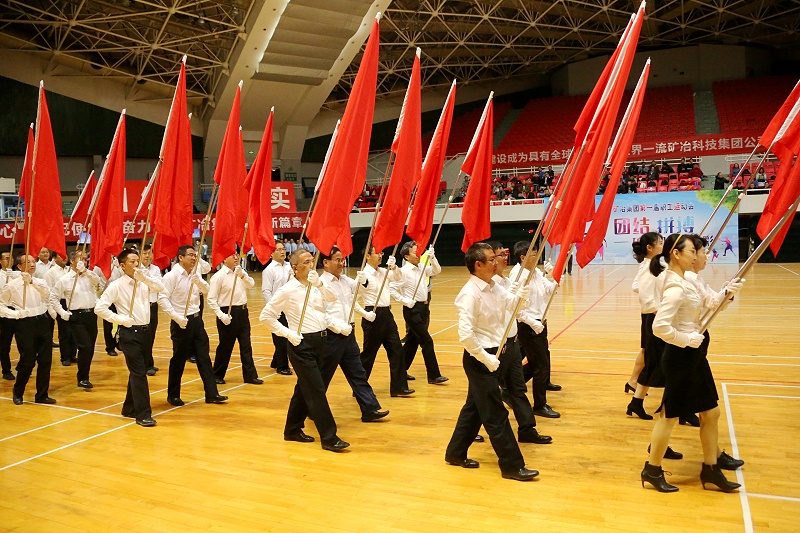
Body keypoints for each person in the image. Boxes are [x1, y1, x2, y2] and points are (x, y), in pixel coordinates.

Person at [641, 234, 744, 493]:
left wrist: (727, 293)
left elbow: (709, 304)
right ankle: (652, 470)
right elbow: (659, 327)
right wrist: (686, 338)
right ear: (677, 254)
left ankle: (710, 469)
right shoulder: (675, 287)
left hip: (694, 354)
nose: (697, 256)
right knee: (669, 417)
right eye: (692, 252)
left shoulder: (688, 281)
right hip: (680, 357)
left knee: (711, 412)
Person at [444, 242, 538, 481]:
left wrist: (521, 297)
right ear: (478, 265)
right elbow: (465, 335)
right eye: (491, 260)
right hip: (481, 359)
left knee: (474, 408)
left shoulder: (494, 285)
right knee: (495, 414)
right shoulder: (469, 294)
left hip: (501, 353)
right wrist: (485, 358)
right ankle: (511, 465)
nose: (497, 262)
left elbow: (512, 305)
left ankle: (455, 452)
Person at [260, 249, 350, 452]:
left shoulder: (314, 284)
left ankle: (292, 429)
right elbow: (266, 316)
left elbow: (332, 299)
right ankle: (329, 437)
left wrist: (319, 284)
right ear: (295, 268)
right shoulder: (287, 290)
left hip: (321, 341)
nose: (311, 265)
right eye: (307, 262)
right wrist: (288, 334)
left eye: (312, 261)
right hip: (301, 345)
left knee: (304, 388)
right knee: (317, 390)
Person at [488, 241, 552, 445]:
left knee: (518, 388)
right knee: (481, 397)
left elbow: (544, 294)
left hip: (516, 337)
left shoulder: (509, 281)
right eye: (498, 256)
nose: (503, 258)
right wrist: (531, 321)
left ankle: (527, 429)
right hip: (501, 340)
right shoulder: (499, 283)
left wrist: (552, 274)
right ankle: (468, 434)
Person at [95, 249, 165, 427]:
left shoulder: (144, 280)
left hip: (145, 332)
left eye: (138, 261)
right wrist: (119, 319)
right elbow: (100, 308)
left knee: (137, 372)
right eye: (132, 262)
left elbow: (160, 288)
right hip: (129, 333)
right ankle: (143, 414)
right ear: (122, 265)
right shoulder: (116, 285)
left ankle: (128, 407)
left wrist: (145, 279)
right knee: (139, 373)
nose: (136, 265)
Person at [320, 246, 388, 422]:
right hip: (332, 336)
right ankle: (311, 408)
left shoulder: (344, 280)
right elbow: (320, 313)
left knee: (358, 372)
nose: (341, 263)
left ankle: (370, 408)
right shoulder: (321, 284)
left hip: (348, 334)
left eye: (342, 259)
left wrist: (363, 280)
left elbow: (361, 292)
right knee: (323, 376)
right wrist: (337, 327)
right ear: (325, 263)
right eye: (337, 259)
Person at [157, 245, 228, 406]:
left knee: (204, 357)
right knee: (179, 360)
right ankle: (173, 395)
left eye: (195, 255)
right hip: (181, 322)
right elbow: (162, 298)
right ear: (180, 257)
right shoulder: (171, 276)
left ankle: (212, 393)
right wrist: (176, 317)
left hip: (197, 321)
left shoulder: (195, 273)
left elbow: (207, 290)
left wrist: (200, 282)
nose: (194, 258)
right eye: (190, 255)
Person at [509, 240, 560, 419]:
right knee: (540, 365)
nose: (537, 257)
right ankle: (539, 404)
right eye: (534, 254)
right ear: (523, 257)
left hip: (540, 322)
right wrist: (532, 323)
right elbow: (516, 309)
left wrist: (551, 276)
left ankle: (510, 389)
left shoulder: (535, 272)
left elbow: (549, 291)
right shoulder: (519, 275)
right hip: (528, 326)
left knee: (538, 362)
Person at [358, 246, 413, 397]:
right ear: (368, 256)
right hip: (372, 315)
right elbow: (353, 297)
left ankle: (399, 387)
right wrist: (364, 313)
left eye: (381, 252)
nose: (380, 255)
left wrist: (394, 267)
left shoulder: (383, 271)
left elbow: (398, 277)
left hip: (387, 315)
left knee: (397, 351)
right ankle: (359, 388)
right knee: (369, 355)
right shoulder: (363, 275)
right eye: (377, 253)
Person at [390, 241, 447, 384]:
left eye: (419, 250)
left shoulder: (422, 267)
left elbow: (436, 271)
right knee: (427, 341)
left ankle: (400, 371)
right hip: (412, 309)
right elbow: (392, 288)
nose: (419, 254)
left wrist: (433, 258)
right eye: (415, 252)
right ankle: (433, 375)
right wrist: (404, 301)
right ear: (407, 256)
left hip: (423, 308)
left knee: (411, 342)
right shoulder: (403, 272)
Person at [2, 254, 55, 405]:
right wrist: (15, 314)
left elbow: (47, 293)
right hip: (25, 324)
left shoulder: (40, 281)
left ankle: (42, 394)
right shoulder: (12, 285)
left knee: (45, 360)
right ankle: (18, 391)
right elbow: (1, 305)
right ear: (19, 266)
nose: (32, 264)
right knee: (28, 360)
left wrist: (32, 282)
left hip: (43, 321)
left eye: (33, 261)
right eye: (27, 262)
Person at [207, 251, 262, 385]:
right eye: (232, 255)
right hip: (227, 312)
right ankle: (217, 375)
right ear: (224, 259)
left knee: (246, 345)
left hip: (242, 312)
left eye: (237, 255)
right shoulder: (218, 277)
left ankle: (250, 375)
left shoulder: (240, 272)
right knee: (225, 347)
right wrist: (221, 315)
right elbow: (211, 299)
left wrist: (242, 275)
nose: (236, 257)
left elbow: (251, 284)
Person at [50, 250, 101, 388]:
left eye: (85, 259)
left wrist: (85, 271)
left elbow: (98, 280)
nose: (83, 261)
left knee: (90, 348)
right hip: (76, 316)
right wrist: (62, 312)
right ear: (72, 261)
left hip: (91, 315)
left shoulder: (89, 276)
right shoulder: (65, 280)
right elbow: (53, 298)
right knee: (86, 346)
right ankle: (82, 377)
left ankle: (85, 374)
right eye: (80, 259)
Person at [261, 242, 293, 375]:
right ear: (271, 254)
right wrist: (273, 310)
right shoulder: (269, 270)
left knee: (287, 336)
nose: (282, 252)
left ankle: (275, 361)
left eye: (283, 249)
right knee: (280, 338)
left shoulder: (289, 266)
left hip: (290, 307)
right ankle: (282, 366)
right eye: (278, 250)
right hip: (278, 308)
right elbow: (266, 291)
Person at [139, 244, 162, 376]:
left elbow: (158, 286)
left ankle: (148, 361)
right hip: (142, 306)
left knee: (151, 335)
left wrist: (147, 279)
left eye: (149, 253)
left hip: (153, 305)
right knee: (144, 336)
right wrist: (149, 280)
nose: (147, 256)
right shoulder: (136, 270)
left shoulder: (155, 269)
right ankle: (147, 364)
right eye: (145, 253)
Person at [0, 251, 18, 380]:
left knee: (25, 342)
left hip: (19, 310)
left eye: (11, 258)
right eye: (6, 258)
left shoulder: (18, 275)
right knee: (5, 343)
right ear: (0, 261)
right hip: (4, 311)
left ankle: (23, 365)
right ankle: (6, 370)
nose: (9, 261)